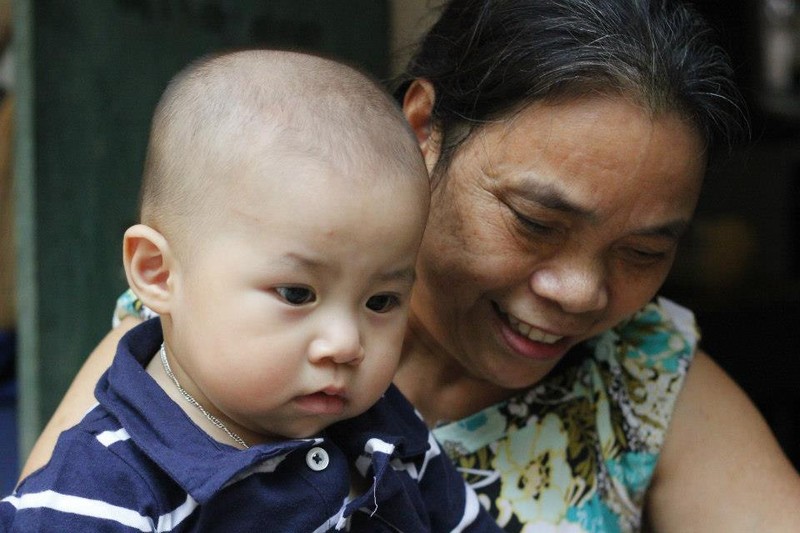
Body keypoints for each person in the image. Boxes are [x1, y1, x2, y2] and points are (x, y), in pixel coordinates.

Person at [19, 0, 800, 530]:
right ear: (424, 129)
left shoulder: (639, 372)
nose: (581, 290)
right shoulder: (176, 366)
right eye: (535, 221)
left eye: (643, 251)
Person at [2, 50, 500, 532]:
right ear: (158, 274)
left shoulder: (386, 431)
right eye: (297, 294)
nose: (347, 344)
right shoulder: (102, 489)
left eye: (381, 301)